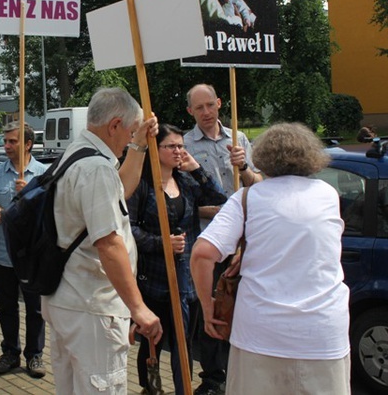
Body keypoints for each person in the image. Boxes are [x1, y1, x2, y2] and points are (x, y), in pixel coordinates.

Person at [190, 123, 351, 394]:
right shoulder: (328, 194)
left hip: (259, 333)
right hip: (323, 333)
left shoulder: (248, 198)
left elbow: (202, 254)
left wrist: (208, 307)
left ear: (262, 157)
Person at [42, 87, 162, 394]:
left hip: (67, 299)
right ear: (114, 125)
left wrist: (138, 145)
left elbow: (119, 190)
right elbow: (108, 244)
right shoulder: (96, 169)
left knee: (70, 387)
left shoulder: (76, 154)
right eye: (130, 131)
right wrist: (138, 308)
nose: (129, 138)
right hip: (92, 306)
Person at [127, 124, 227, 395]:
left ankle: (183, 389)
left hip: (188, 282)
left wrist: (195, 167)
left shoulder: (186, 182)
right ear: (155, 150)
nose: (178, 151)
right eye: (171, 146)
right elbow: (129, 229)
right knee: (153, 343)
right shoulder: (142, 185)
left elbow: (220, 198)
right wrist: (162, 244)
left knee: (183, 342)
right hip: (156, 280)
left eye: (181, 146)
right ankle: (150, 387)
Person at [184, 83, 262, 395]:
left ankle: (241, 372)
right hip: (208, 241)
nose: (206, 112)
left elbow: (257, 186)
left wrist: (243, 165)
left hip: (242, 242)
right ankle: (213, 377)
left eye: (210, 106)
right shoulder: (185, 144)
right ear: (190, 111)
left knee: (243, 307)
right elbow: (182, 200)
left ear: (219, 104)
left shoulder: (238, 138)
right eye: (198, 108)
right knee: (213, 308)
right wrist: (214, 210)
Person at [0, 122, 48, 378]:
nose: (6, 146)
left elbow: (50, 215)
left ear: (28, 144)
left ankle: (35, 355)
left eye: (12, 142)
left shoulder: (43, 173)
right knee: (6, 307)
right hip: (2, 253)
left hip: (32, 256)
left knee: (35, 309)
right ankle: (10, 351)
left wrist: (31, 194)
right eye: (6, 141)